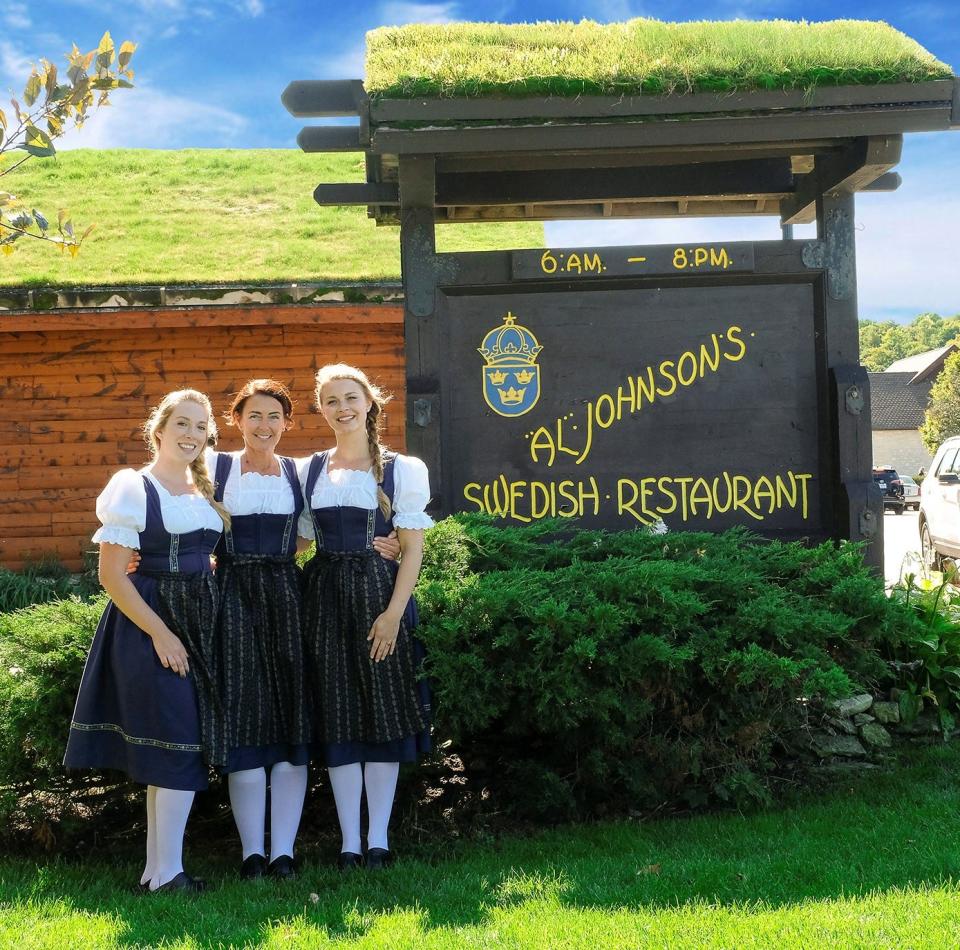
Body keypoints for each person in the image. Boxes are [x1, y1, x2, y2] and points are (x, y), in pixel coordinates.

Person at [64, 390, 229, 893]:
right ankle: (169, 872)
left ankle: (157, 872)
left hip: (200, 622)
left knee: (173, 749)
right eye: (182, 423)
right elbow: (112, 577)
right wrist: (161, 633)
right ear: (159, 430)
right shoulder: (133, 487)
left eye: (201, 427)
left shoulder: (205, 488)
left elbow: (204, 552)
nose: (192, 435)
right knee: (177, 745)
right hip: (151, 626)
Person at [299, 363, 433, 870]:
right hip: (325, 599)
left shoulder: (401, 469)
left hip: (381, 597)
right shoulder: (310, 469)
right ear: (321, 408)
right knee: (338, 714)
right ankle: (349, 841)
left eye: (350, 397)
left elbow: (413, 549)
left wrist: (394, 615)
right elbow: (299, 542)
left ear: (370, 401)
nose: (342, 408)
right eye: (331, 400)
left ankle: (378, 837)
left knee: (381, 713)